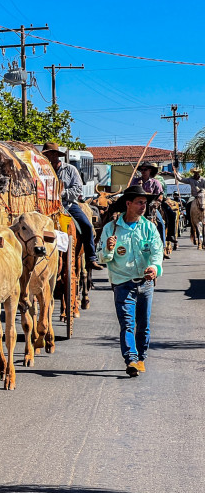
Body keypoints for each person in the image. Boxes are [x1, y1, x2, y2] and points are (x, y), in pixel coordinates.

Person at [96, 185, 163, 377]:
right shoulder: (111, 228)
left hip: (145, 283)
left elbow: (157, 252)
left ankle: (141, 357)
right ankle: (131, 359)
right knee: (127, 323)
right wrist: (108, 249)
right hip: (122, 282)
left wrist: (154, 268)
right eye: (140, 202)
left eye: (145, 203)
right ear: (128, 204)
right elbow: (103, 258)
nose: (144, 206)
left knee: (144, 324)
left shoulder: (149, 227)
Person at [42, 142, 104, 270]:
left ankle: (90, 258)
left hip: (67, 205)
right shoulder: (41, 171)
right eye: (48, 154)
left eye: (53, 154)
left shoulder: (70, 169)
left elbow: (77, 189)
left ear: (58, 155)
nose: (51, 156)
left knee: (86, 226)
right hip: (45, 207)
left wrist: (61, 193)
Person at [130, 162, 168, 256]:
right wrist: (137, 187)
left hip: (151, 207)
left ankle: (163, 247)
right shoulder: (135, 181)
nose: (143, 171)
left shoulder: (155, 182)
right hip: (137, 207)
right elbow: (129, 193)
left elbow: (160, 195)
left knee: (160, 223)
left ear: (150, 170)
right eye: (141, 170)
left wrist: (157, 203)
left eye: (145, 169)